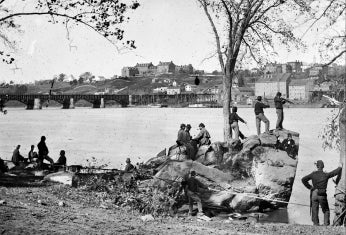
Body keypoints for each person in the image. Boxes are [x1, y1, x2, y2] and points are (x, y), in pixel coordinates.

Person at [301, 160, 342, 226]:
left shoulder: (313, 174)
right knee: (326, 210)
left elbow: (303, 179)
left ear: (317, 166)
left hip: (314, 193)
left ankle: (315, 224)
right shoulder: (325, 175)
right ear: (323, 166)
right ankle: (326, 224)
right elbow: (334, 172)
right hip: (322, 194)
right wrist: (340, 167)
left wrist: (310, 187)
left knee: (314, 209)